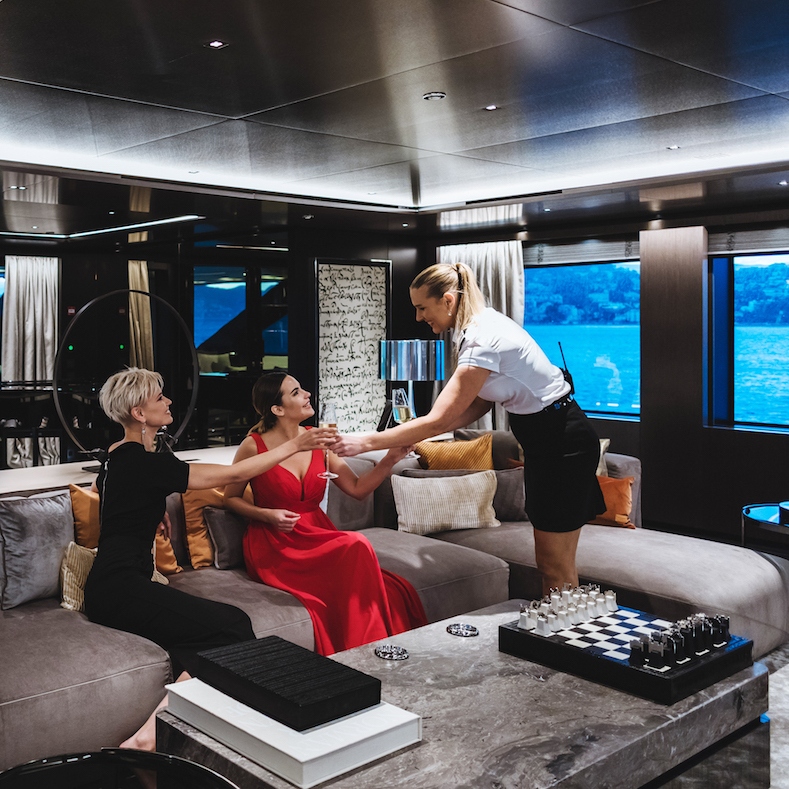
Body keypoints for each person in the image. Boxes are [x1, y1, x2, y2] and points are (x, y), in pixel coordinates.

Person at [82, 366, 335, 751]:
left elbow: (110, 492)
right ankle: (147, 739)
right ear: (139, 413)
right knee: (233, 625)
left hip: (112, 585)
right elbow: (234, 474)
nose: (168, 401)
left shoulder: (119, 457)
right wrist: (295, 446)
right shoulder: (146, 463)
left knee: (207, 638)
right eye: (159, 398)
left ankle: (186, 739)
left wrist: (154, 510)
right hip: (120, 587)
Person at [332, 262, 605, 594]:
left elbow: (440, 418)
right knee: (553, 563)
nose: (418, 317)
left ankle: (565, 625)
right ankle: (566, 620)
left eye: (422, 308)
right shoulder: (476, 327)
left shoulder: (482, 339)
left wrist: (363, 443)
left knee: (552, 564)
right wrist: (424, 433)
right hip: (547, 441)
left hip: (562, 444)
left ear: (448, 300)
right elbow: (479, 404)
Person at [222, 373, 427, 656]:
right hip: (276, 542)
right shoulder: (253, 445)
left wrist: (391, 458)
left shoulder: (318, 438)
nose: (307, 394)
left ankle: (383, 653)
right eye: (296, 392)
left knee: (388, 588)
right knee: (357, 544)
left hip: (317, 532)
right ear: (277, 409)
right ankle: (366, 654)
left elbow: (357, 489)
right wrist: (267, 515)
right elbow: (230, 498)